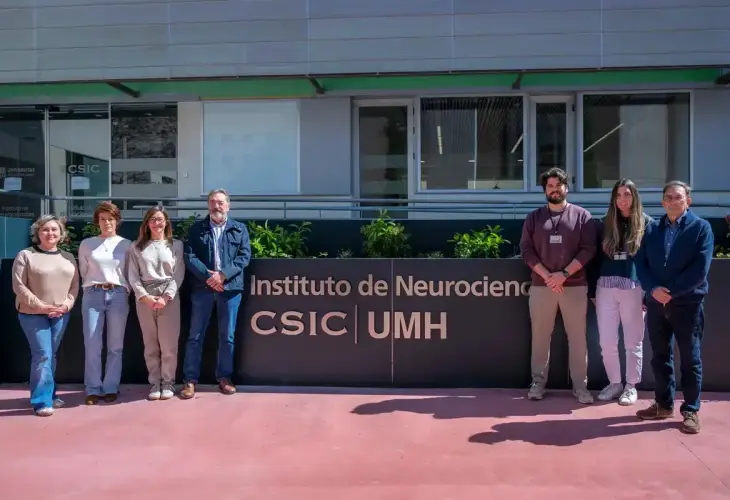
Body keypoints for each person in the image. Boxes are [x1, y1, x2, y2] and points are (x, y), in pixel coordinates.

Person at [634, 181, 713, 434]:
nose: (672, 201)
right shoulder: (652, 229)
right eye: (667, 197)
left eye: (677, 197)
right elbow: (641, 263)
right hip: (656, 303)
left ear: (688, 201)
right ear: (662, 202)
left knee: (690, 359)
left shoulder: (701, 228)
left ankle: (691, 410)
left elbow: (700, 270)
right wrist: (652, 289)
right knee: (660, 357)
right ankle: (663, 404)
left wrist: (671, 293)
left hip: (688, 304)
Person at [520, 167, 597, 404]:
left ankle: (580, 386)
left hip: (574, 286)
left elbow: (588, 249)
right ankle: (537, 383)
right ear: (545, 190)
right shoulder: (534, 218)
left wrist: (563, 274)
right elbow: (526, 250)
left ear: (566, 187)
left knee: (577, 338)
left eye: (558, 185)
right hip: (541, 286)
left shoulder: (582, 216)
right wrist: (547, 276)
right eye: (550, 186)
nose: (554, 190)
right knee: (540, 336)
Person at [180, 189, 251, 399]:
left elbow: (244, 256)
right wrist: (208, 277)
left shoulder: (239, 229)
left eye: (220, 202)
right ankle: (190, 380)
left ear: (228, 205)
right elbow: (190, 256)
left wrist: (223, 275)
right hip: (202, 289)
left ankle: (224, 378)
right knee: (195, 336)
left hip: (230, 289)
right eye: (212, 202)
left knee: (227, 336)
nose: (216, 206)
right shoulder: (197, 229)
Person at [588, 179, 653, 406]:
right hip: (605, 287)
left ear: (634, 196)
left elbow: (652, 262)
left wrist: (647, 293)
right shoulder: (603, 224)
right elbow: (593, 261)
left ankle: (631, 386)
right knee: (607, 341)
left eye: (627, 194)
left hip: (635, 288)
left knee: (633, 341)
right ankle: (615, 383)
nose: (622, 200)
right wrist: (592, 292)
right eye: (618, 195)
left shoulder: (647, 224)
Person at [11, 215, 79, 417]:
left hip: (60, 314)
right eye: (45, 230)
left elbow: (74, 285)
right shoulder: (26, 255)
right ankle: (41, 401)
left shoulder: (68, 257)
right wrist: (41, 306)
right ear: (37, 233)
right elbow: (19, 286)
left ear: (61, 233)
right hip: (33, 314)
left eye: (54, 229)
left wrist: (67, 305)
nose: (50, 233)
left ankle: (50, 394)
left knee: (51, 355)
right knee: (43, 355)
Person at [127, 206, 185, 401]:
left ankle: (168, 382)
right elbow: (132, 275)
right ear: (147, 223)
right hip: (145, 297)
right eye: (152, 219)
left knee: (169, 345)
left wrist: (166, 296)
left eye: (160, 219)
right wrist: (144, 296)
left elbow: (178, 273)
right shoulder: (137, 246)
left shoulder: (175, 245)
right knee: (150, 344)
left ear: (166, 222)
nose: (156, 223)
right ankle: (155, 383)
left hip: (169, 297)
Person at [77, 201, 132, 405]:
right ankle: (92, 388)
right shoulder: (87, 244)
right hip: (93, 294)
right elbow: (84, 271)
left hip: (118, 294)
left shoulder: (126, 245)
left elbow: (129, 272)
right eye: (103, 219)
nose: (107, 223)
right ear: (97, 221)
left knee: (115, 346)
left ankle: (110, 387)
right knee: (92, 344)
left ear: (117, 221)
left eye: (110, 219)